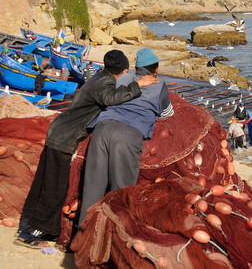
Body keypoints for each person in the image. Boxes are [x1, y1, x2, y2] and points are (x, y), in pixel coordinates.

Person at [15, 50, 158, 249]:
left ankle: (27, 224)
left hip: (59, 132)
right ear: (123, 70)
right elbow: (111, 98)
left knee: (43, 182)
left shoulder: (99, 76)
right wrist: (138, 85)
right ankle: (34, 233)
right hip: (64, 137)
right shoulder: (104, 83)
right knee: (54, 187)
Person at [78, 48, 174, 227]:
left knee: (92, 190)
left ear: (136, 68)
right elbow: (168, 113)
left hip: (102, 130)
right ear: (156, 70)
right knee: (121, 194)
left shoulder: (120, 78)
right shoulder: (159, 86)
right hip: (129, 136)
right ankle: (114, 243)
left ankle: (83, 237)